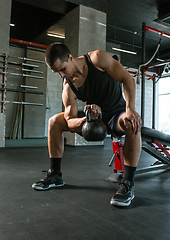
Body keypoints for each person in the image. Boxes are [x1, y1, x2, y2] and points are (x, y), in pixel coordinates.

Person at [32, 42, 142, 207]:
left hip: (116, 112)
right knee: (55, 121)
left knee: (132, 122)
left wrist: (131, 109)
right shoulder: (68, 86)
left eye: (62, 69)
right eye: (57, 72)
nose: (62, 75)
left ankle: (127, 184)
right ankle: (55, 174)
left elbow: (127, 79)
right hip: (93, 115)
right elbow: (69, 120)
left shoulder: (97, 59)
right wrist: (87, 119)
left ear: (70, 57)